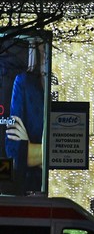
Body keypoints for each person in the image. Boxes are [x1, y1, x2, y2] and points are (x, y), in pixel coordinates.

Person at [5, 40, 45, 194]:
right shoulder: (25, 83)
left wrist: (33, 150)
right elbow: (15, 152)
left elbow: (63, 153)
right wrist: (46, 154)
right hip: (29, 183)